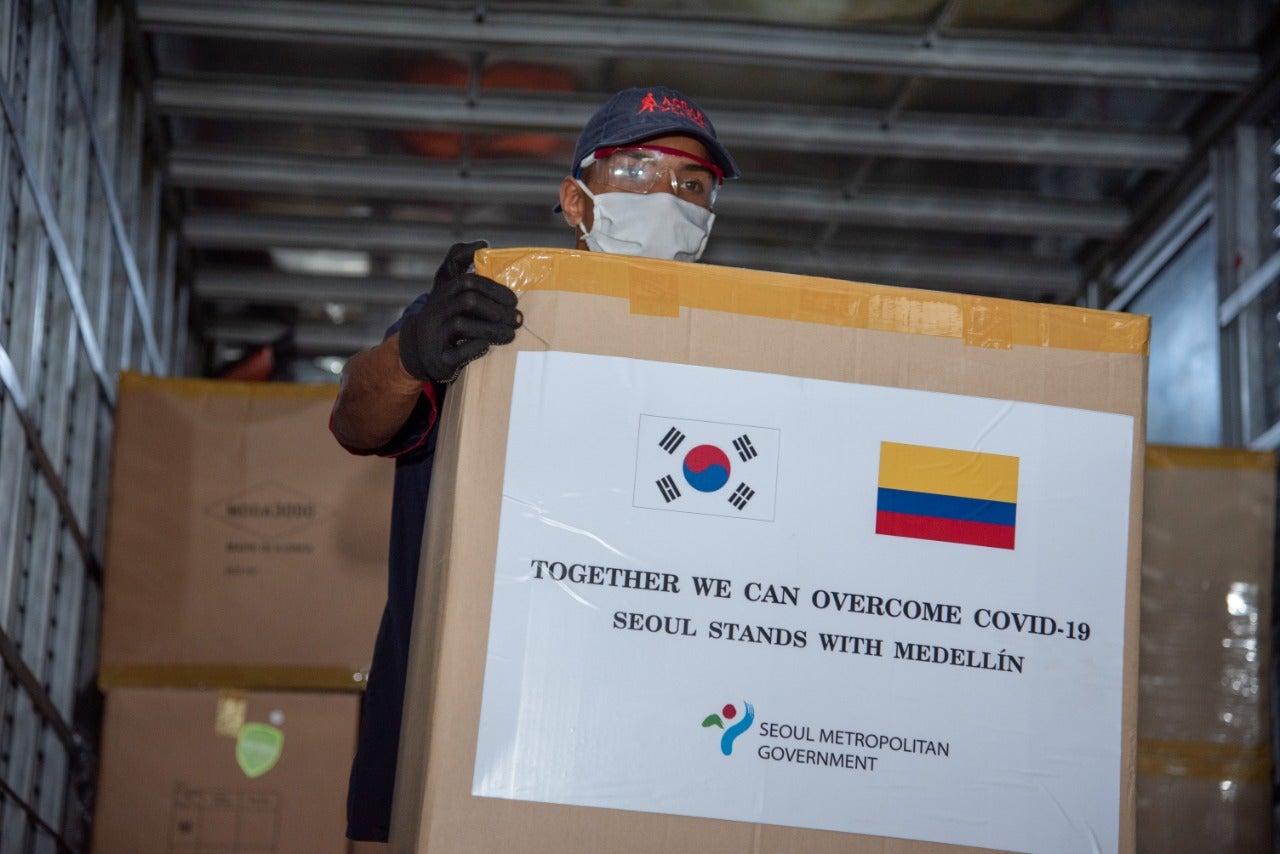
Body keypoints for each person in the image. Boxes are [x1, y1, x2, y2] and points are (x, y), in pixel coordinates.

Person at [330, 84, 739, 843]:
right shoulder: (491, 320)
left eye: (693, 186)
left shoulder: (728, 363)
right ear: (577, 201)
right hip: (438, 748)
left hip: (629, 764)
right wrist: (417, 350)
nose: (669, 199)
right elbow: (356, 417)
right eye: (638, 172)